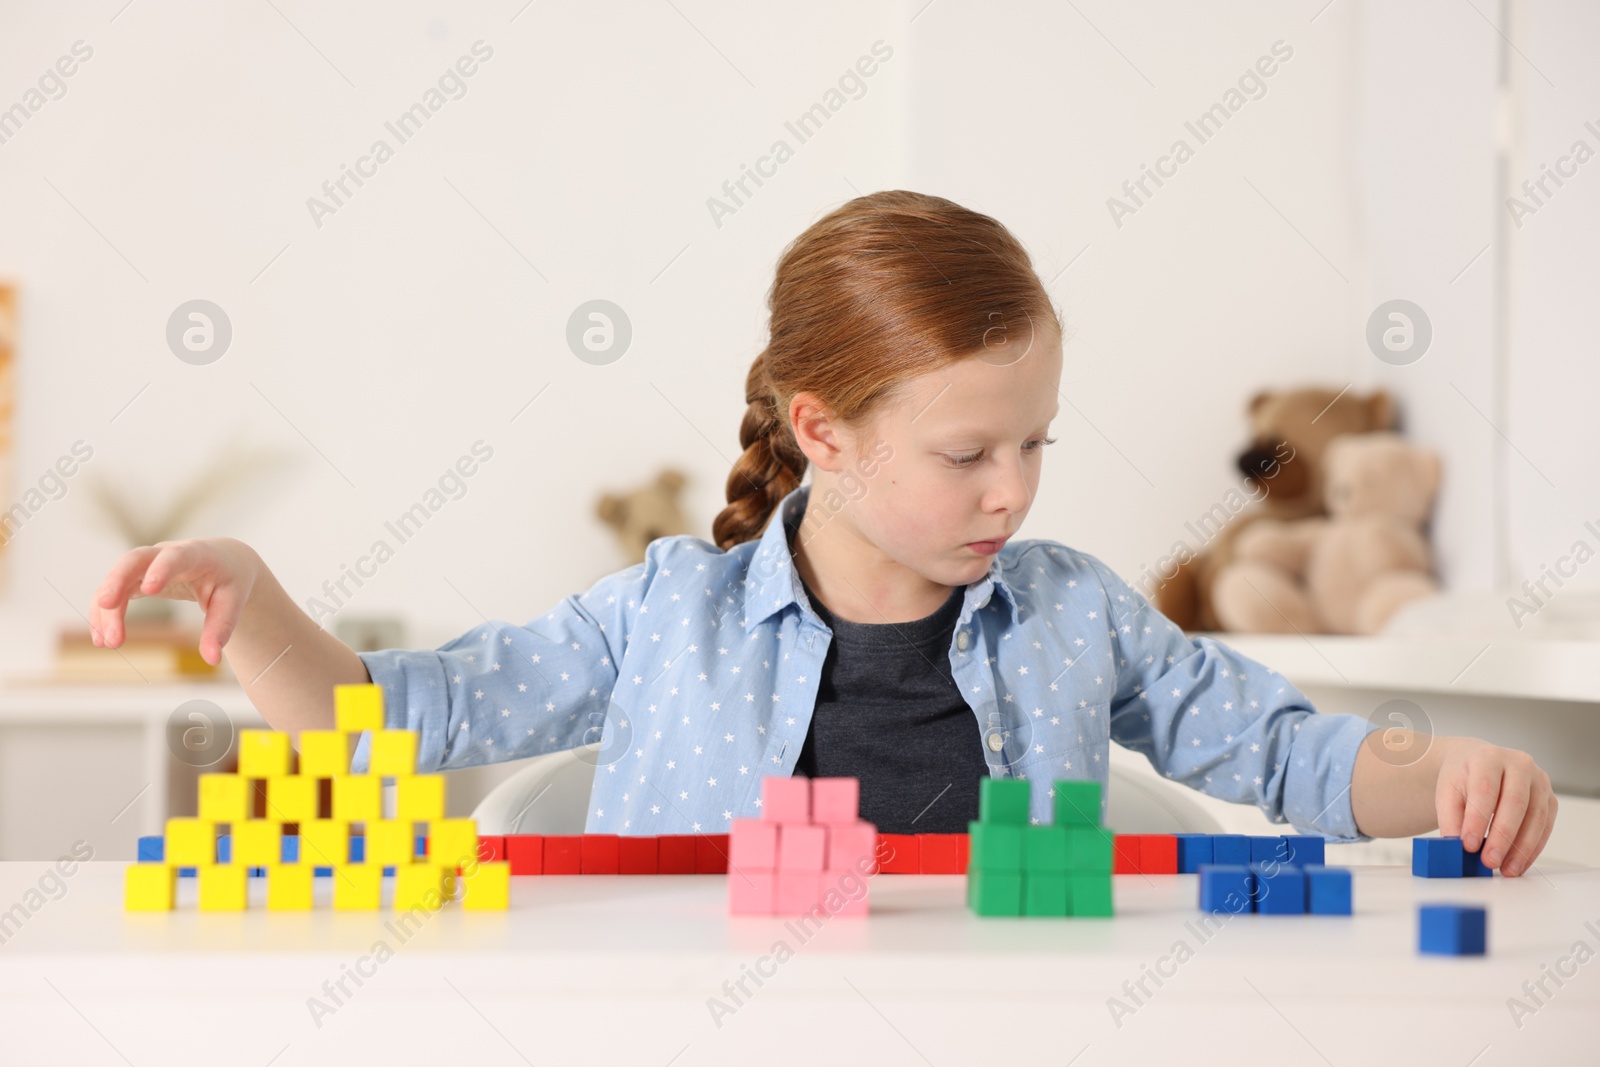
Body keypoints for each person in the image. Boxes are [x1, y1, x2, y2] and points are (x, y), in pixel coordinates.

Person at [88, 190, 1557, 874]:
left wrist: (1449, 776)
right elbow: (387, 721)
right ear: (824, 434)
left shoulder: (1073, 612)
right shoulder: (668, 613)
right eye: (968, 453)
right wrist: (260, 607)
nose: (1014, 492)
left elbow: (1283, 750)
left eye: (1035, 444)